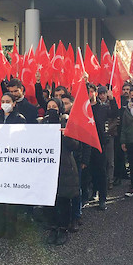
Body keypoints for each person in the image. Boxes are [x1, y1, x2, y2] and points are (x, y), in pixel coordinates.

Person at [39, 98, 79, 245]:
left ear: (60, 108)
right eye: (48, 106)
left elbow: (75, 145)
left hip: (64, 166)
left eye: (54, 106)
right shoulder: (42, 123)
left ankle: (63, 229)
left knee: (63, 200)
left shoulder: (67, 122)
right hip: (47, 167)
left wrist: (66, 135)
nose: (51, 109)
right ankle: (53, 228)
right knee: (49, 201)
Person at [0, 93, 26, 238]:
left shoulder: (20, 119)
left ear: (14, 104)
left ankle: (11, 227)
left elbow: (23, 138)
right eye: (3, 101)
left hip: (13, 162)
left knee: (11, 197)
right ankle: (1, 226)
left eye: (8, 101)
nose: (5, 103)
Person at [85, 84, 119, 210]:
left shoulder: (103, 108)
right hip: (87, 143)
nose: (89, 94)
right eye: (87, 92)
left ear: (95, 93)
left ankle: (102, 198)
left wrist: (112, 99)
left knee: (101, 171)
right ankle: (92, 192)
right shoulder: (84, 108)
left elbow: (114, 113)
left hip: (99, 143)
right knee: (89, 170)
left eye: (91, 91)